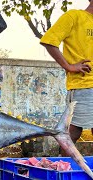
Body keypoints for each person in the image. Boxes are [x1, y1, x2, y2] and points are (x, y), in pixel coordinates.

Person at [40, 0, 93, 156]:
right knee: (74, 132)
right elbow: (49, 41)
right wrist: (69, 66)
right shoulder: (74, 16)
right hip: (84, 84)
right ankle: (63, 167)